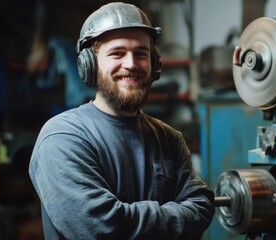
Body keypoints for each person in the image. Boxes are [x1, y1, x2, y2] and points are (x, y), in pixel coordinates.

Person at [28, 2, 215, 239]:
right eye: (117, 53)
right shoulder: (62, 138)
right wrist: (177, 217)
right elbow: (102, 228)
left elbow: (201, 206)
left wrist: (132, 220)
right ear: (90, 65)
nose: (131, 64)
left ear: (155, 64)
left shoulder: (170, 139)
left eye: (141, 53)